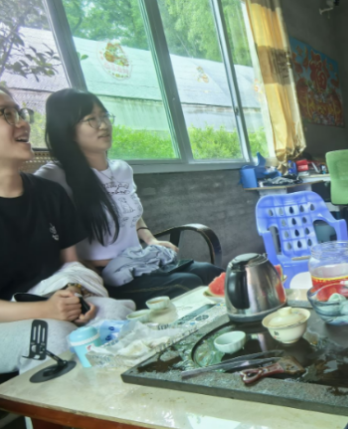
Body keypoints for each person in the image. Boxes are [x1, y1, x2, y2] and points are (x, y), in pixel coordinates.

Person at [0, 82, 131, 376]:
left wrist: (74, 297)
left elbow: (70, 266)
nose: (22, 123)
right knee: (52, 336)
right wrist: (44, 310)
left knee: (113, 314)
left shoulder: (49, 194)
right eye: (6, 114)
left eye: (20, 113)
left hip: (48, 301)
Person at [36, 88, 223, 308]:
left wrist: (151, 240)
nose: (103, 125)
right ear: (66, 128)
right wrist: (82, 268)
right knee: (188, 285)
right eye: (90, 119)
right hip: (106, 278)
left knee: (213, 273)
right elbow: (46, 237)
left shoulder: (122, 169)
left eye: (105, 116)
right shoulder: (52, 177)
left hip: (140, 263)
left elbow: (131, 213)